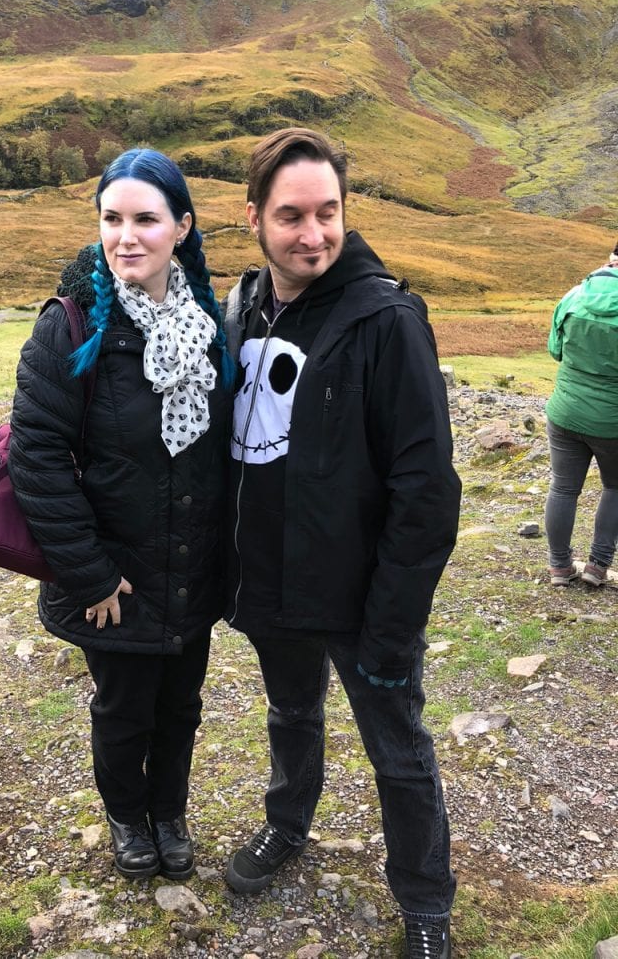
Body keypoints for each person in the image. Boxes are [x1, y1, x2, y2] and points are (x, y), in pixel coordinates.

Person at [223, 128, 461, 959]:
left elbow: (426, 491)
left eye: (328, 212)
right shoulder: (244, 303)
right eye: (291, 215)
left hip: (363, 601)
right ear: (253, 216)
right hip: (271, 588)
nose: (312, 233)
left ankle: (426, 901)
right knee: (291, 715)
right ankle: (288, 825)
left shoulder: (386, 320)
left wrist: (394, 622)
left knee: (397, 753)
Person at [9, 148, 233, 881]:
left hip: (190, 569)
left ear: (182, 228)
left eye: (146, 219)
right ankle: (126, 814)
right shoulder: (70, 329)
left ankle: (169, 811)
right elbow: (36, 462)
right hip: (113, 579)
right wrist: (91, 577)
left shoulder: (210, 327)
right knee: (123, 708)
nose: (126, 236)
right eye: (112, 219)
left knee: (182, 707)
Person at [544, 248, 618, 587]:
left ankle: (560, 567)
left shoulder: (573, 295)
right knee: (615, 488)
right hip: (612, 422)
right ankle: (597, 566)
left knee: (563, 487)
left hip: (565, 413)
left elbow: (555, 350)